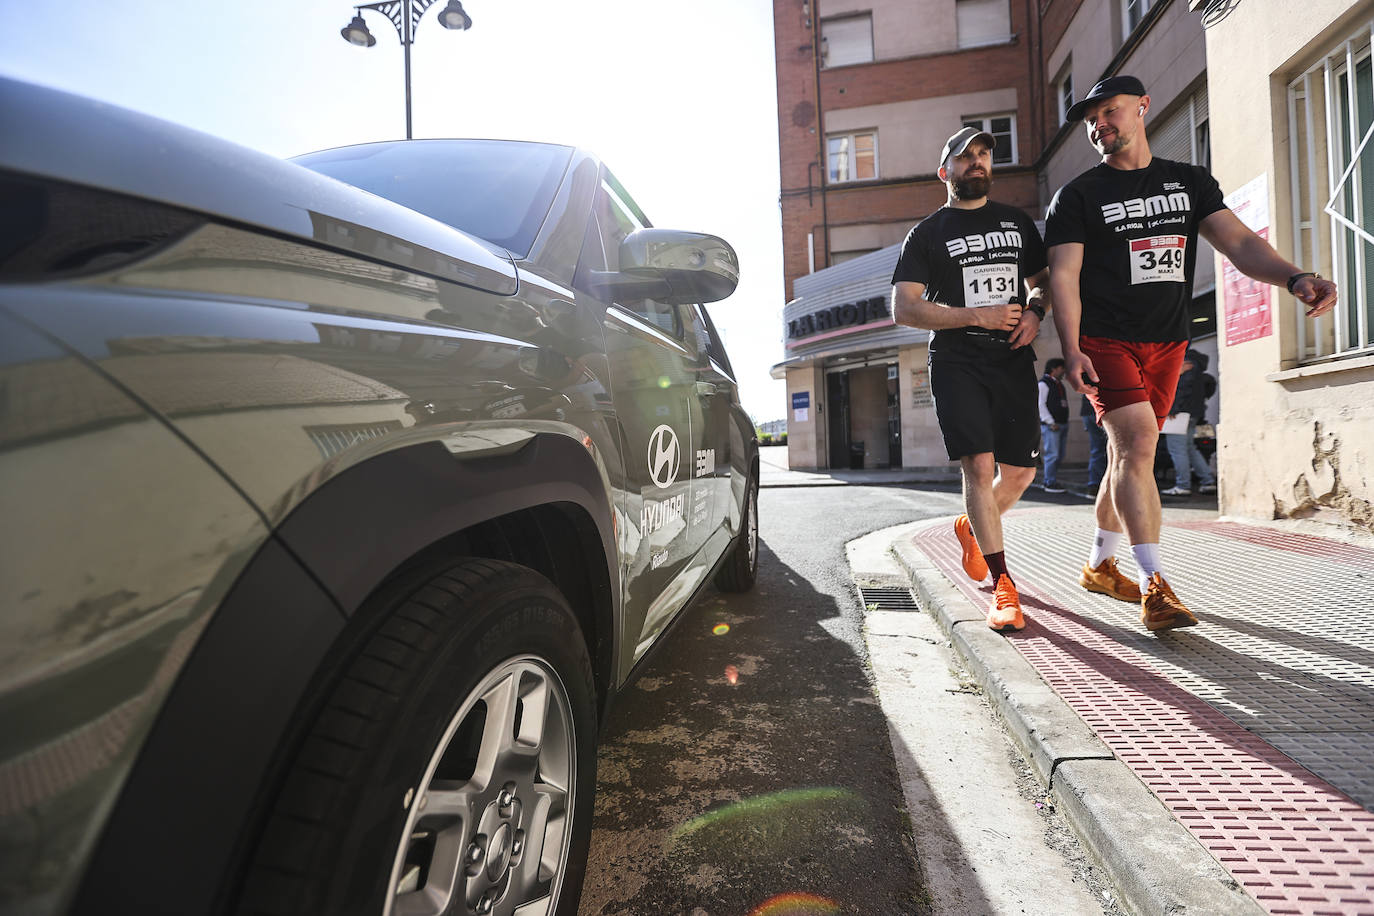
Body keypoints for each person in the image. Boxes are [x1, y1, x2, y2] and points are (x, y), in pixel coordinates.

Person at [1045, 75, 1339, 633]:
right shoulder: (1078, 195)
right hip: (1105, 340)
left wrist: (1294, 277)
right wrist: (1072, 347)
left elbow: (1240, 243)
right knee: (1137, 446)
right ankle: (1155, 585)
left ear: (1142, 107)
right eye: (1090, 120)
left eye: (1109, 112)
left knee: (1126, 458)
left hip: (1168, 340)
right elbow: (1064, 274)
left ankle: (1099, 566)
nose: (1099, 125)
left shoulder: (1188, 182)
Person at [892, 126, 1051, 632]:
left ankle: (971, 525)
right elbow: (904, 307)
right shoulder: (927, 233)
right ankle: (1003, 586)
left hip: (1012, 359)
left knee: (1020, 474)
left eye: (983, 154)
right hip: (957, 361)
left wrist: (1036, 312)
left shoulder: (1016, 222)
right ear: (946, 171)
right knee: (979, 467)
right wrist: (976, 316)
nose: (977, 162)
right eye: (965, 157)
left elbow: (1041, 281)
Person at [1161, 349, 1217, 496]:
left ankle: (1183, 485)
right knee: (1190, 448)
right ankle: (1207, 481)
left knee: (1177, 449)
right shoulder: (1197, 368)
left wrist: (1173, 409)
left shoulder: (1185, 365)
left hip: (1179, 414)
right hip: (1194, 414)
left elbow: (1181, 389)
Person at [1037, 358, 1069, 493]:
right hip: (1052, 425)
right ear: (1054, 369)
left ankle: (1052, 479)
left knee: (1059, 455)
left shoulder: (1059, 384)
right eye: (1062, 368)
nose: (1064, 371)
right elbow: (1040, 404)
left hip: (1062, 423)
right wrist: (1050, 421)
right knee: (1052, 454)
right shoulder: (1043, 384)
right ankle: (1049, 482)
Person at [1081, 394, 1108, 495]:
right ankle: (1103, 482)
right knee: (1110, 449)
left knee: (1097, 449)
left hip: (1088, 411)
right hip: (1100, 410)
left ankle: (1094, 483)